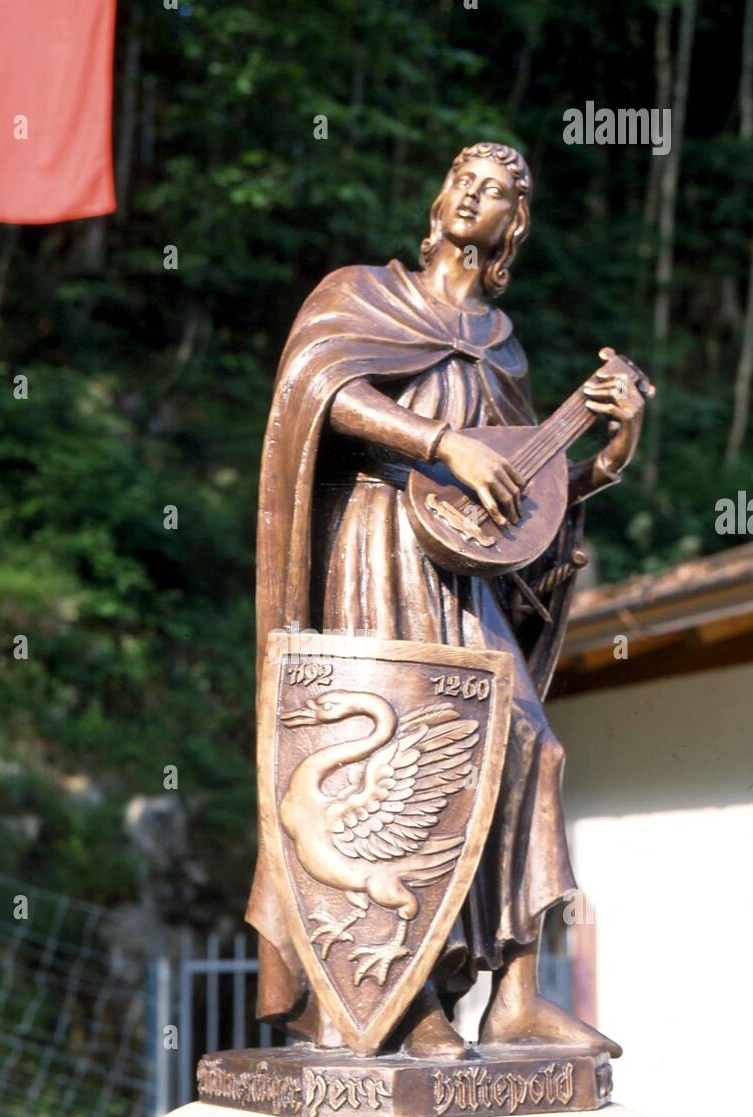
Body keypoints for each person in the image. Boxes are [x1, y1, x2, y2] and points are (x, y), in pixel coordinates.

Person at [248, 142, 646, 1058]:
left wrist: (611, 459)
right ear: (439, 201)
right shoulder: (363, 295)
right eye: (465, 181)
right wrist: (440, 441)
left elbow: (517, 502)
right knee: (388, 749)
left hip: (460, 571)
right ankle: (403, 997)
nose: (478, 195)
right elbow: (317, 389)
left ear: (515, 228)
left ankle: (515, 993)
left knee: (527, 746)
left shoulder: (502, 347)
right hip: (370, 542)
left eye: (501, 191)